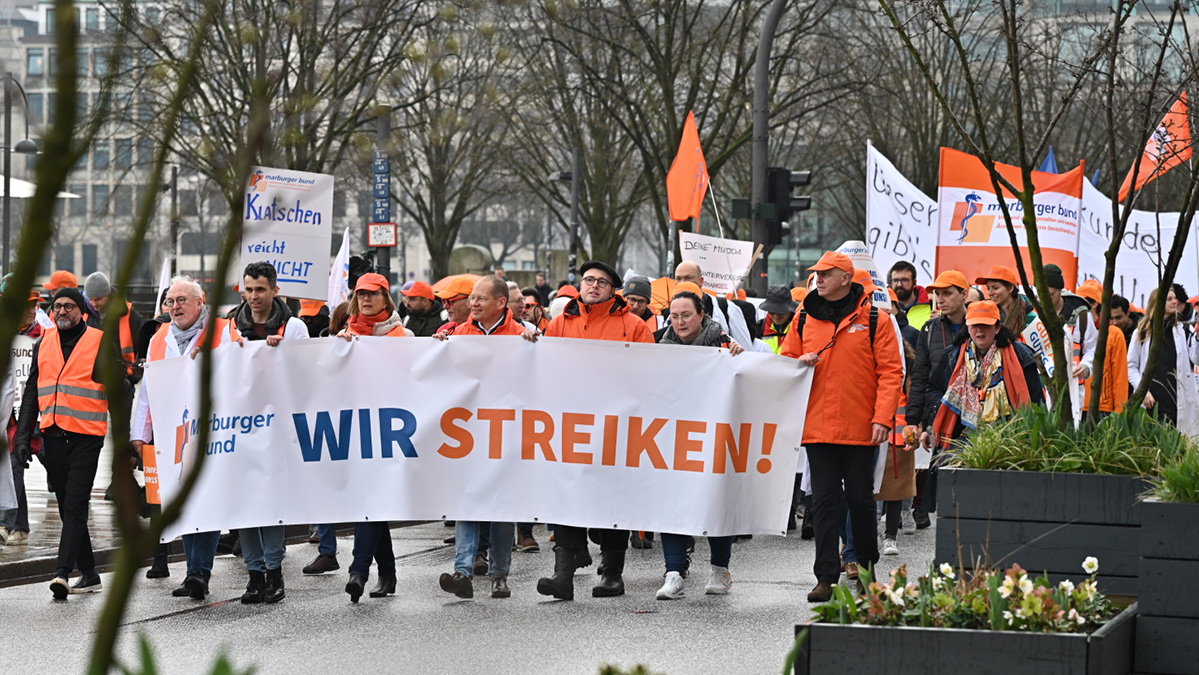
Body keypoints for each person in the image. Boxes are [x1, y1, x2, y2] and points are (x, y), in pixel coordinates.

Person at [524, 260, 654, 601]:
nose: (592, 286)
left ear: (614, 290)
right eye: (587, 280)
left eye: (601, 282)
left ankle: (612, 573)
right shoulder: (560, 323)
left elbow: (653, 373)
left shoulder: (634, 326)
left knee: (612, 498)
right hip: (571, 425)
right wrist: (529, 343)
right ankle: (562, 574)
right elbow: (542, 366)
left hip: (616, 426)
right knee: (567, 493)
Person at [780, 251, 904, 602]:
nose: (818, 278)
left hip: (862, 425)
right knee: (824, 502)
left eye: (826, 273)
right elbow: (786, 360)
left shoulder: (876, 318)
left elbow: (891, 372)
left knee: (862, 502)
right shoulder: (804, 316)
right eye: (817, 273)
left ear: (846, 278)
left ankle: (866, 570)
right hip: (818, 425)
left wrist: (882, 418)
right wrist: (797, 362)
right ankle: (825, 577)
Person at [14, 285, 130, 599]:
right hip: (52, 437)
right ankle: (90, 573)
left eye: (68, 306)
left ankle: (62, 573)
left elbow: (122, 391)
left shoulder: (100, 340)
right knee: (68, 508)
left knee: (76, 505)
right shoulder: (43, 343)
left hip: (87, 437)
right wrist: (24, 437)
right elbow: (30, 395)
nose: (62, 311)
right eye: (57, 307)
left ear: (81, 310)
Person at [133, 278, 237, 597]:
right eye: (170, 302)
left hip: (210, 430)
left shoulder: (224, 331)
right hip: (171, 433)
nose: (174, 307)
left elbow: (237, 377)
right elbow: (148, 389)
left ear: (199, 302)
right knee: (181, 501)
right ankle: (195, 570)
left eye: (181, 300)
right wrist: (139, 433)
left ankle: (198, 572)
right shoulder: (159, 337)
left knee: (202, 497)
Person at [434, 275, 526, 600]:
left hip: (506, 432)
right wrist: (438, 350)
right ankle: (463, 571)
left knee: (501, 507)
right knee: (467, 499)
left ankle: (499, 576)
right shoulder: (458, 333)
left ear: (501, 303)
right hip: (469, 431)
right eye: (471, 298)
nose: (472, 303)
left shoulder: (521, 335)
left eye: (480, 299)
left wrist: (536, 347)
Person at [653, 290, 743, 600]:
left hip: (713, 435)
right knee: (672, 502)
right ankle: (674, 572)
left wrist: (737, 357)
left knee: (715, 500)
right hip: (672, 437)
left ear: (701, 315)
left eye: (686, 315)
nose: (679, 321)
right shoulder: (659, 347)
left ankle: (720, 569)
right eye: (674, 316)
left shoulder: (721, 343)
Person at [230, 262, 310, 604]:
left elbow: (308, 376)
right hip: (240, 428)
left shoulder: (294, 328)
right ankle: (254, 574)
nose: (253, 296)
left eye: (260, 289)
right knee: (246, 505)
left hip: (277, 429)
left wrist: (286, 356)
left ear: (275, 290)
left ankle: (274, 571)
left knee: (270, 503)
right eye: (248, 289)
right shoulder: (231, 327)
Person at [339, 272, 406, 603]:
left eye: (372, 294)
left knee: (372, 500)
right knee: (372, 502)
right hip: (355, 428)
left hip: (389, 427)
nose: (365, 299)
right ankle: (388, 574)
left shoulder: (399, 334)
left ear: (385, 298)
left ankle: (359, 571)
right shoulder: (344, 333)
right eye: (360, 294)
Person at [925, 300, 1045, 449]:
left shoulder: (1022, 356)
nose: (980, 331)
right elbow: (932, 389)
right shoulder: (952, 355)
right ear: (967, 327)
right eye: (975, 325)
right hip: (959, 440)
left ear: (997, 328)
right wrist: (948, 406)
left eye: (986, 325)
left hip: (1009, 442)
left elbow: (1036, 400)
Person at [905, 270, 970, 529]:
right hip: (941, 416)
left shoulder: (982, 324)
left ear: (964, 294)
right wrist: (915, 420)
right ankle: (950, 546)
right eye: (937, 294)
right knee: (945, 483)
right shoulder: (930, 330)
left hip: (975, 418)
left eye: (947, 293)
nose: (940, 299)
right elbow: (919, 376)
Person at [0, 291, 45, 547]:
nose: (32, 310)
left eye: (35, 306)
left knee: (56, 473)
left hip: (41, 414)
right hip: (14, 415)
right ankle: (12, 524)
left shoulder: (45, 336)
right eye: (27, 306)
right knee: (15, 463)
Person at [1127, 285, 1199, 436]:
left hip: (1178, 398)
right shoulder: (1141, 332)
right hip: (1152, 399)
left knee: (1180, 444)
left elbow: (1196, 358)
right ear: (1157, 303)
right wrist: (1143, 391)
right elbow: (1131, 366)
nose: (1175, 302)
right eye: (1169, 299)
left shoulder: (1185, 329)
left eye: (1175, 298)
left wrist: (1198, 338)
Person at [1042, 264, 1096, 401]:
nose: (1046, 299)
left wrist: (1086, 366)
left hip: (1074, 389)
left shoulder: (1081, 314)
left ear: (1060, 290)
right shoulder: (1034, 314)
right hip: (1042, 388)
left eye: (1051, 295)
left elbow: (1093, 348)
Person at [1075, 281, 1128, 417]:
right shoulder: (1073, 329)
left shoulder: (1114, 334)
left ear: (1094, 304)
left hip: (1102, 408)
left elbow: (1120, 377)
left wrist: (1119, 413)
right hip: (1077, 403)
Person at [83, 272, 145, 369]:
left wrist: (132, 377)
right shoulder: (84, 314)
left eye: (98, 299)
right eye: (90, 299)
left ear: (107, 295)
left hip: (123, 375)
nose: (94, 303)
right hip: (92, 376)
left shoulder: (129, 314)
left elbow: (142, 343)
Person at [977, 265, 1035, 335]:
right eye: (988, 288)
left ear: (1010, 288)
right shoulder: (986, 311)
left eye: (995, 288)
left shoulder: (1031, 315)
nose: (990, 293)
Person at [888, 261, 932, 330]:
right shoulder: (883, 308)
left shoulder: (933, 309)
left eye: (904, 280)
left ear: (914, 283)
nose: (899, 284)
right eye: (895, 280)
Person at [759, 284, 798, 355]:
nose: (776, 316)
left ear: (790, 310)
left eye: (781, 312)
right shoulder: (759, 328)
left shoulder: (801, 328)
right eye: (772, 311)